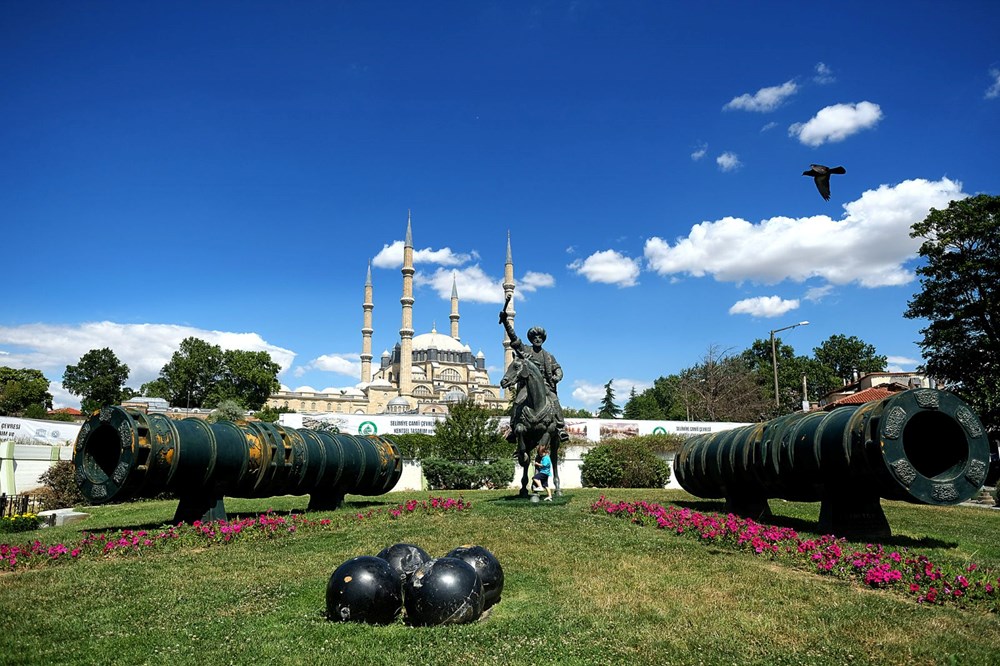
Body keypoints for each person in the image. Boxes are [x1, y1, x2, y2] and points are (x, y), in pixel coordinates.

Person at [499, 301, 568, 442]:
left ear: (543, 339)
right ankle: (513, 429)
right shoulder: (526, 350)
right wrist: (506, 322)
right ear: (531, 339)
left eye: (540, 337)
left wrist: (557, 377)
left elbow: (558, 369)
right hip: (528, 386)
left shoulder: (548, 356)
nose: (537, 339)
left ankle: (560, 428)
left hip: (545, 386)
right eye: (535, 337)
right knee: (518, 402)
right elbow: (514, 338)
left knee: (554, 400)